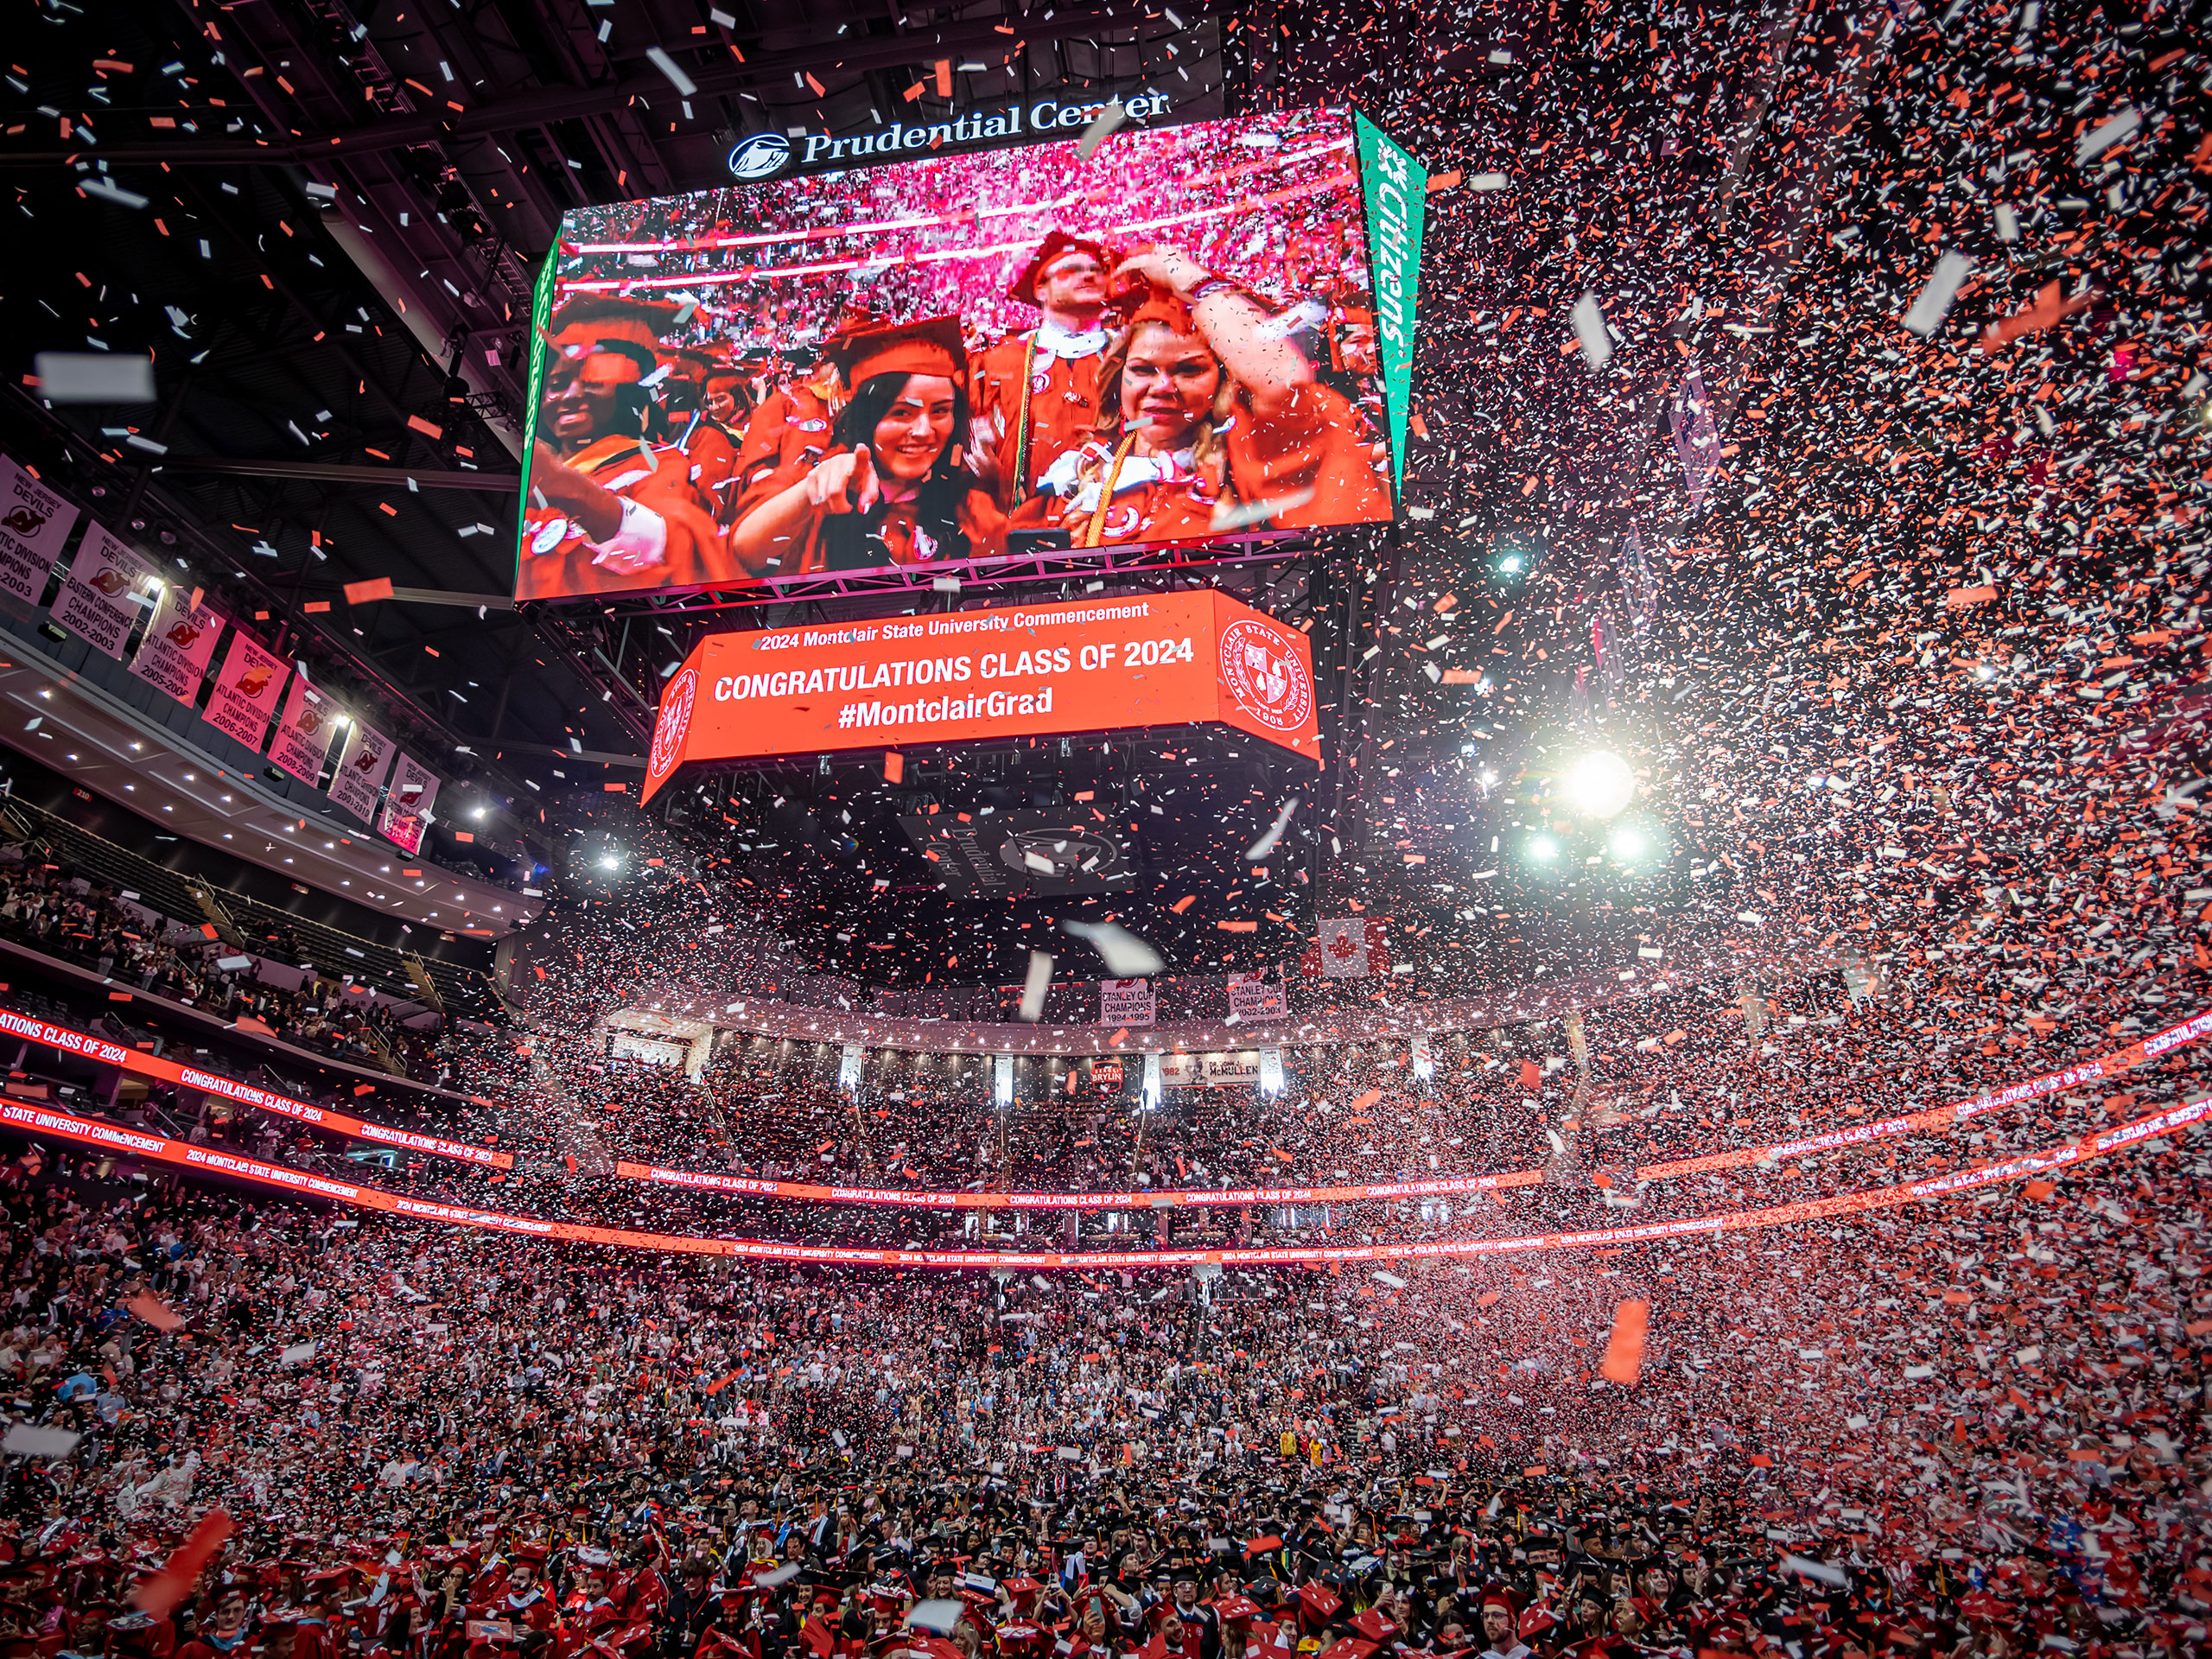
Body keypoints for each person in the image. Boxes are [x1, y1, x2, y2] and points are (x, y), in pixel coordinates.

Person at [1023, 247, 1392, 547]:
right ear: (1119, 380)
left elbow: (1283, 386)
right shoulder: (1076, 474)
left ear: (1221, 384)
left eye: (1189, 370)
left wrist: (1192, 282)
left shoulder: (1243, 465)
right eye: (1143, 370)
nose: (1163, 386)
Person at [727, 318, 1007, 576]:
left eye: (940, 411)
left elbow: (982, 592)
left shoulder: (967, 507)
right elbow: (747, 551)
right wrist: (809, 494)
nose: (924, 432)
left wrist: (932, 590)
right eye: (901, 413)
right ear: (867, 417)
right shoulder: (818, 480)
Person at [516, 297, 731, 601]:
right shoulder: (529, 470)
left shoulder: (657, 463)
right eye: (558, 383)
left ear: (625, 391)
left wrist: (568, 488)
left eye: (591, 381)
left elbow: (671, 545)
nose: (572, 395)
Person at [970, 231, 1117, 511]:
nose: (1087, 276)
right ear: (1040, 289)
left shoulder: (1131, 358)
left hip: (1119, 520)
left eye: (1095, 270)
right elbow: (977, 451)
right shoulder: (996, 364)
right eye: (1071, 270)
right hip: (1023, 526)